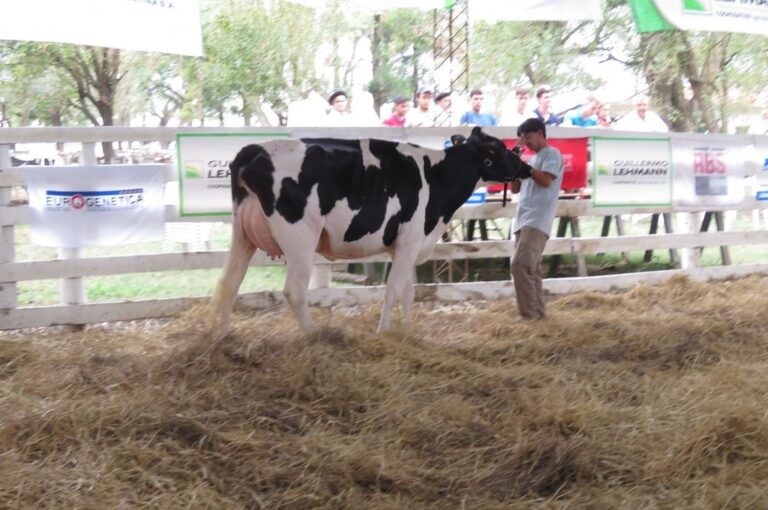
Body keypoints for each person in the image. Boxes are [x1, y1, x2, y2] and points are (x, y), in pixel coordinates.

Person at [510, 117, 564, 320]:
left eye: (528, 137)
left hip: (537, 219)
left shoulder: (551, 154)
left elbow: (546, 180)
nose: (525, 141)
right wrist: (515, 166)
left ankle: (529, 316)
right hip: (524, 218)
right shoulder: (531, 160)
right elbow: (515, 188)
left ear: (541, 134)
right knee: (531, 269)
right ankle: (539, 315)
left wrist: (527, 169)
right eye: (522, 138)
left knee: (520, 265)